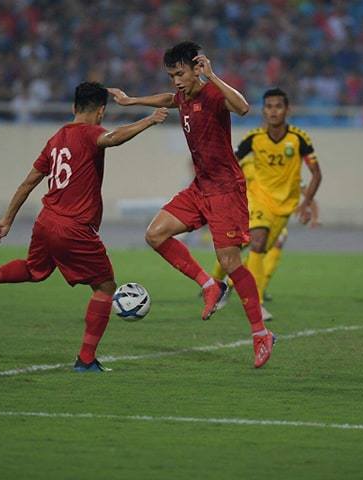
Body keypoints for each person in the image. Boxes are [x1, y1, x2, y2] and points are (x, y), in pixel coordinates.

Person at [0, 82, 168, 373]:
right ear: (100, 112)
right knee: (105, 287)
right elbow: (113, 139)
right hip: (75, 228)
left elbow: (28, 182)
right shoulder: (92, 133)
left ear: (73, 108)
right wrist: (149, 119)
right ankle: (85, 360)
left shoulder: (57, 138)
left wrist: (7, 219)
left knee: (35, 270)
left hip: (46, 221)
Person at [108, 41, 275, 368]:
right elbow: (168, 100)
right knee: (155, 234)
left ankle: (260, 334)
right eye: (172, 74)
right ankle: (210, 286)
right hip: (200, 187)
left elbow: (243, 108)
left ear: (196, 68)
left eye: (180, 73)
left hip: (226, 190)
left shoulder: (213, 94)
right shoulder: (182, 95)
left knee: (230, 263)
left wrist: (212, 76)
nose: (176, 80)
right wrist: (132, 101)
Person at [234, 88, 322, 320]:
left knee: (258, 251)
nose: (273, 111)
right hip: (258, 198)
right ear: (263, 111)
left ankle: (222, 282)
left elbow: (316, 174)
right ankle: (256, 304)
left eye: (278, 106)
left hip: (284, 206)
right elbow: (230, 164)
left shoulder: (299, 139)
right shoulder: (253, 139)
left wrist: (306, 203)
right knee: (257, 241)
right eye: (269, 107)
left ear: (287, 109)